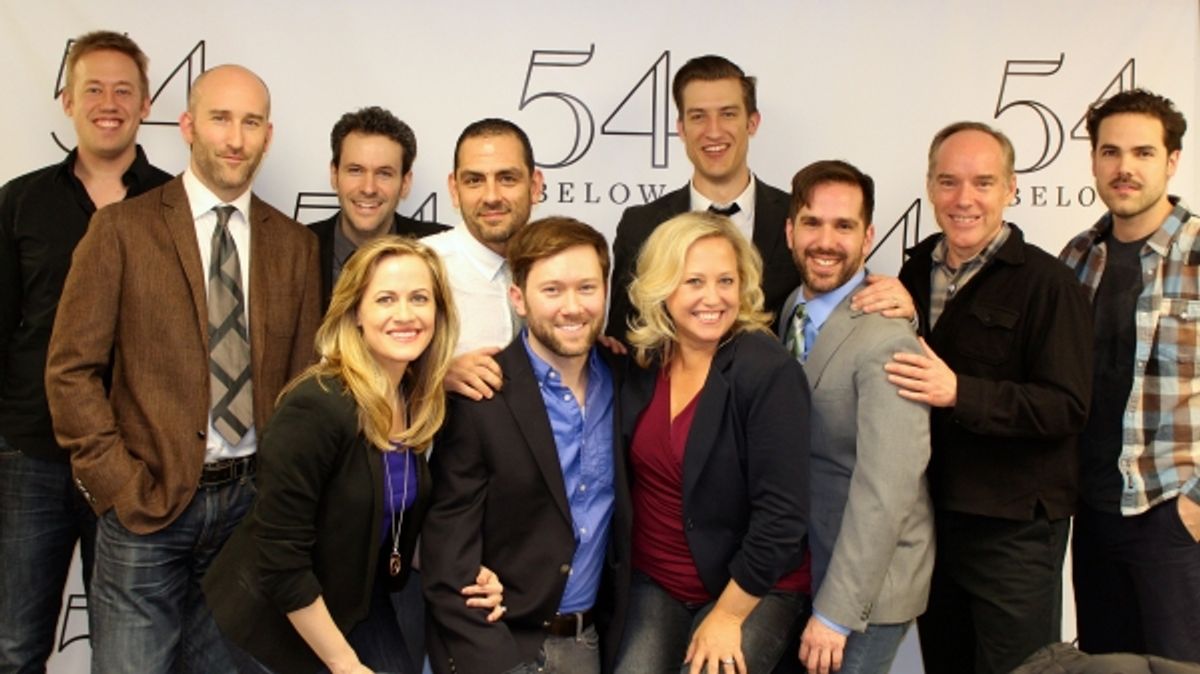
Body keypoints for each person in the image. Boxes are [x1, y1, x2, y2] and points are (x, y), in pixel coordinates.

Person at [44, 64, 321, 672]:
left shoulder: (294, 245)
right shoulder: (121, 229)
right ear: (189, 126)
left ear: (268, 135)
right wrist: (117, 484)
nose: (235, 139)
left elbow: (305, 384)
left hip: (250, 513)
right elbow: (70, 371)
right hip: (146, 508)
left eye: (250, 123)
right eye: (220, 119)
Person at [204, 236, 503, 673]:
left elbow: (390, 522)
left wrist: (464, 571)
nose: (405, 315)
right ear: (355, 313)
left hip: (354, 600)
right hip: (271, 622)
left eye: (420, 298)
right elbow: (281, 560)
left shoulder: (413, 399)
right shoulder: (317, 404)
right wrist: (345, 665)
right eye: (386, 299)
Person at [884, 121, 1093, 674]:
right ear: (929, 187)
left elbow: (1066, 406)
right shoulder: (915, 268)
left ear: (1011, 188)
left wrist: (961, 393)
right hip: (934, 520)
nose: (964, 199)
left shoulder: (1048, 284)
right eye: (949, 182)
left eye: (982, 182)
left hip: (1015, 532)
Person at [0, 29, 171, 672]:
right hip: (31, 455)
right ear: (67, 100)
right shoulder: (19, 202)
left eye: (123, 90)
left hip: (135, 460)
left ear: (146, 103)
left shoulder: (171, 205)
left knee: (126, 649)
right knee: (15, 644)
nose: (109, 102)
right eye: (93, 88)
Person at [422, 216, 631, 674]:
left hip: (591, 645)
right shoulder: (481, 396)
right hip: (501, 646)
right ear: (518, 298)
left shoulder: (628, 382)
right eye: (552, 290)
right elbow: (447, 559)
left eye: (587, 288)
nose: (572, 307)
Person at [614, 211, 809, 674]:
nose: (713, 297)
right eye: (693, 281)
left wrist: (727, 615)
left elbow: (783, 519)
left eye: (726, 280)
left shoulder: (767, 371)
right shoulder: (644, 360)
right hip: (656, 579)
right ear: (663, 288)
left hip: (751, 584)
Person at [1059, 89, 1199, 663]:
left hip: (1174, 513)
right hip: (1092, 513)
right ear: (1093, 160)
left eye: (1143, 152)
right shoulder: (1078, 256)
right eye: (1110, 152)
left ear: (1171, 161)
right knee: (1105, 665)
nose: (1124, 168)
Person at [778, 160, 932, 674]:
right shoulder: (790, 312)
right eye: (812, 223)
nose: (826, 241)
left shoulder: (888, 338)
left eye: (843, 226)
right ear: (789, 230)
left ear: (868, 237)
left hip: (864, 590)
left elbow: (885, 490)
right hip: (807, 564)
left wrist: (836, 614)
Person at [423, 118, 545, 400]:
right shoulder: (420, 267)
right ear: (455, 189)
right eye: (474, 180)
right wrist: (434, 376)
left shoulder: (559, 268)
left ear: (535, 185)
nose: (491, 196)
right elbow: (352, 372)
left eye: (507, 178)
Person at [310, 106, 449, 310]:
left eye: (384, 173)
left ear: (405, 183)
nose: (368, 188)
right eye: (355, 170)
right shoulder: (300, 248)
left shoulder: (440, 249)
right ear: (334, 174)